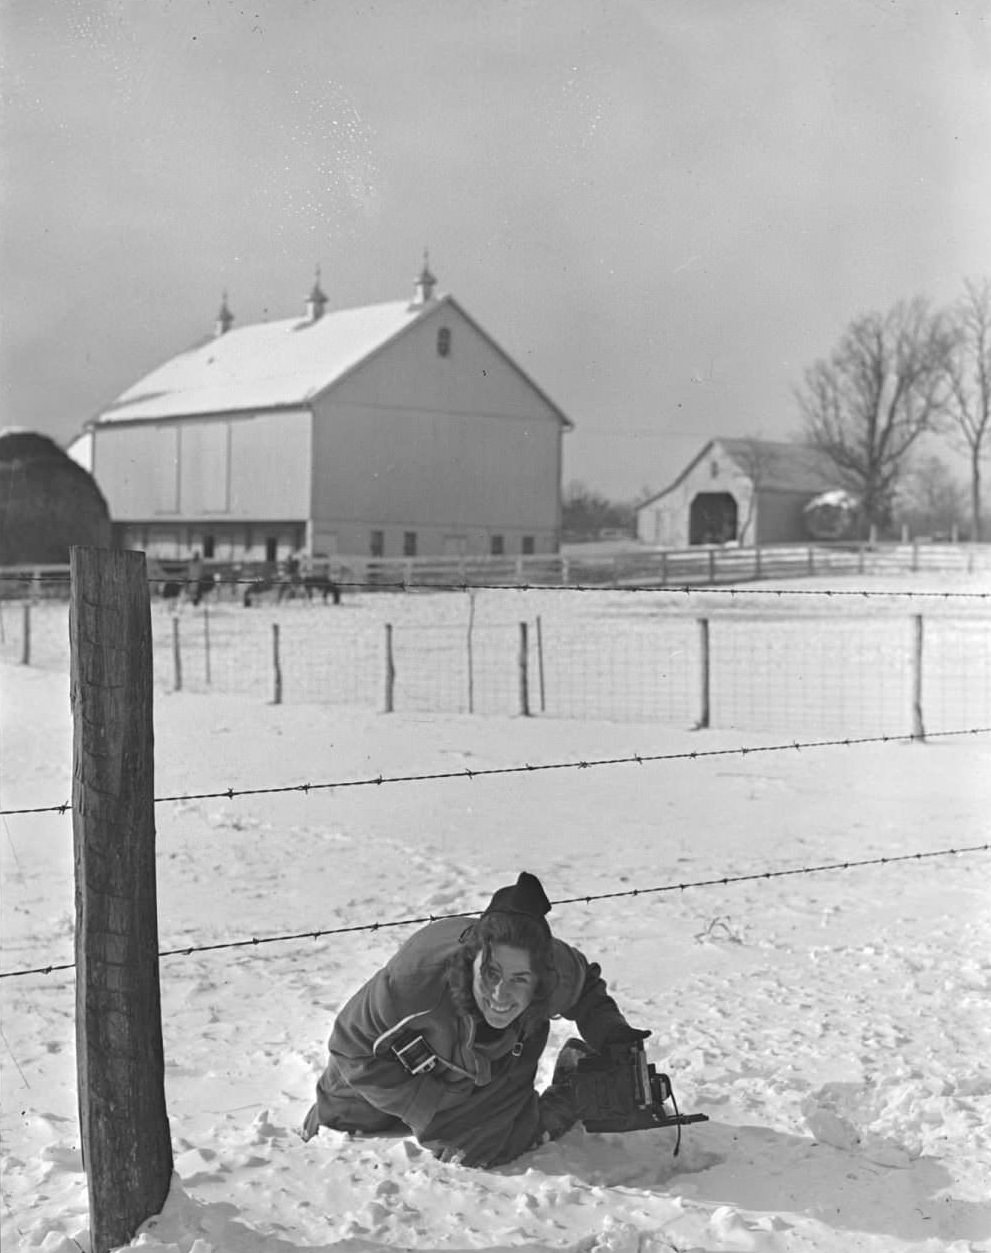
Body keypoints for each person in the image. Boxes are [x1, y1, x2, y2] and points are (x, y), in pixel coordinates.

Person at [300, 871, 650, 1168]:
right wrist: (429, 1105)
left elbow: (586, 988)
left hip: (498, 1058)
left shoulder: (553, 968)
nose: (500, 994)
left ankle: (569, 1090)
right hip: (391, 1069)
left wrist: (611, 1034)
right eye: (491, 973)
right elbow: (350, 1047)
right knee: (342, 1119)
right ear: (472, 961)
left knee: (482, 1151)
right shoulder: (413, 983)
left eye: (519, 980)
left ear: (541, 978)